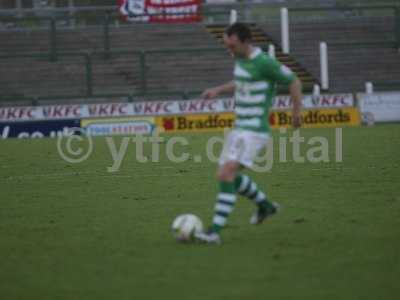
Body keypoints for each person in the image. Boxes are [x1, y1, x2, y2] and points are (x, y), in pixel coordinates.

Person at [195, 23, 302, 244]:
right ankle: (266, 206)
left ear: (245, 41)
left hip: (254, 131)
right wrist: (218, 89)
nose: (229, 50)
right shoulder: (241, 59)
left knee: (226, 174)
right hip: (239, 129)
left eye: (232, 45)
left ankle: (213, 232)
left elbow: (294, 81)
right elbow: (241, 81)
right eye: (227, 45)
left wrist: (296, 112)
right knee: (228, 176)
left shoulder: (264, 62)